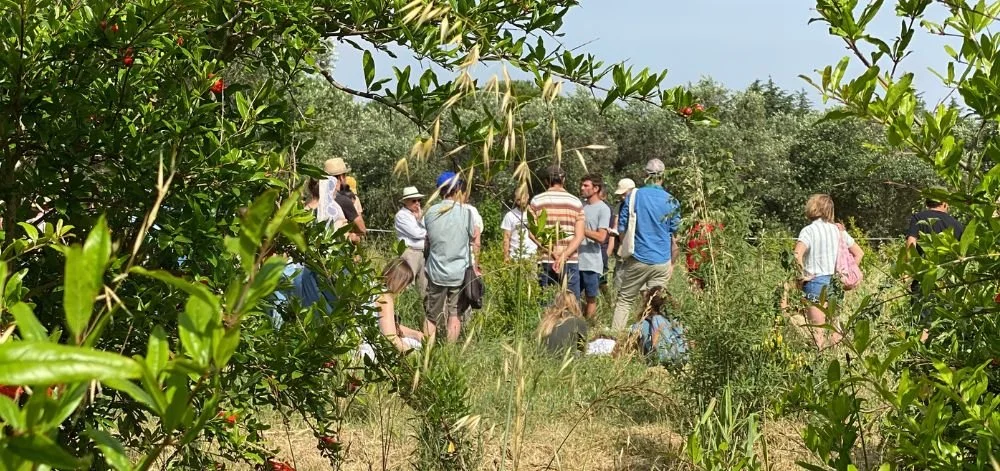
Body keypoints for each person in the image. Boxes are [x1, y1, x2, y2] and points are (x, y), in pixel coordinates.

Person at [611, 160, 682, 331]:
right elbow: (675, 236)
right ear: (663, 176)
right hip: (662, 261)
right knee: (656, 305)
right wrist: (672, 263)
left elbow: (622, 228)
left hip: (638, 258)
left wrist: (626, 248)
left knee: (625, 301)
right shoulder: (672, 201)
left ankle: (616, 340)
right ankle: (654, 344)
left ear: (645, 175)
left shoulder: (634, 196)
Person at [793, 194, 864, 350]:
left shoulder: (809, 231)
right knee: (835, 329)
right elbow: (859, 253)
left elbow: (797, 255)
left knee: (817, 332)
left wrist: (801, 276)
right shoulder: (838, 231)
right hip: (835, 282)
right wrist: (845, 273)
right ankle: (837, 363)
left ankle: (819, 365)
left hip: (815, 283)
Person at [423, 171, 480, 343]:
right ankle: (450, 353)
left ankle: (426, 351)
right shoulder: (467, 213)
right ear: (457, 189)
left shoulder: (430, 213)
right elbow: (474, 237)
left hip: (436, 272)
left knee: (431, 315)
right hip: (458, 273)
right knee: (455, 315)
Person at [904, 195, 964, 341]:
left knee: (923, 318)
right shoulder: (956, 224)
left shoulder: (919, 218)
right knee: (945, 317)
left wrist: (907, 270)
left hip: (923, 274)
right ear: (944, 203)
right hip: (948, 278)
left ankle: (921, 353)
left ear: (928, 203)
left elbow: (911, 243)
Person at [529, 165, 586, 298]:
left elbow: (532, 234)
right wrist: (563, 256)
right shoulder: (576, 202)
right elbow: (579, 236)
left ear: (545, 181)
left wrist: (553, 254)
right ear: (564, 180)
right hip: (570, 260)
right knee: (571, 305)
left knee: (546, 304)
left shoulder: (537, 201)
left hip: (546, 259)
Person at [628, 286, 688, 366]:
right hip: (683, 358)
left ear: (648, 303)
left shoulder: (642, 325)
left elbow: (631, 344)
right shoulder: (676, 320)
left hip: (660, 361)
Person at [376, 259, 425, 352]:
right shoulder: (385, 298)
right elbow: (390, 337)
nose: (405, 288)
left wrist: (416, 334)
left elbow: (388, 325)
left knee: (416, 341)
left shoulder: (376, 288)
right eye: (405, 283)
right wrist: (412, 356)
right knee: (418, 346)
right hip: (372, 345)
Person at [579, 174, 611, 319]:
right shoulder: (581, 206)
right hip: (575, 260)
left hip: (591, 262)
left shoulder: (603, 209)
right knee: (570, 296)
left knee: (590, 297)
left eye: (586, 186)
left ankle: (589, 326)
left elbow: (601, 237)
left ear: (596, 188)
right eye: (582, 185)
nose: (582, 188)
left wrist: (581, 230)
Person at [394, 186, 428, 296]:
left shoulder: (419, 215)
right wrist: (428, 231)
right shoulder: (401, 216)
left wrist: (420, 219)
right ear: (405, 201)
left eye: (419, 200)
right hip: (410, 253)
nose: (417, 203)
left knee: (424, 285)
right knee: (407, 284)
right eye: (414, 200)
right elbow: (416, 233)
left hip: (423, 253)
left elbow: (425, 229)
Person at [325, 157, 366, 243]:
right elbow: (362, 229)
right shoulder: (342, 200)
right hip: (337, 249)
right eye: (345, 175)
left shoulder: (317, 198)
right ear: (341, 177)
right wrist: (353, 236)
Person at [608, 178, 636, 290]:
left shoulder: (640, 205)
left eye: (624, 194)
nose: (622, 197)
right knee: (620, 275)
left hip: (638, 246)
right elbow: (616, 225)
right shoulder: (619, 206)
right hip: (622, 246)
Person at [501, 189, 538, 262]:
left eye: (523, 198)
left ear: (528, 197)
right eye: (518, 199)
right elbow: (506, 238)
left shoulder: (535, 214)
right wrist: (506, 257)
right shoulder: (510, 215)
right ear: (515, 199)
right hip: (515, 256)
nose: (522, 202)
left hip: (532, 256)